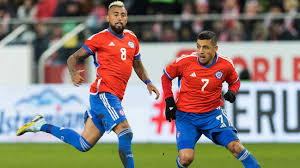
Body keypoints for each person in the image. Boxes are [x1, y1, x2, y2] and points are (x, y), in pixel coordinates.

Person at [16, 1, 160, 168]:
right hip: (103, 94)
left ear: (127, 18)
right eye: (115, 15)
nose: (119, 18)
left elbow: (137, 64)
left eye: (123, 15)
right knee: (125, 132)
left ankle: (41, 124)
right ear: (107, 17)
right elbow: (73, 58)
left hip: (114, 97)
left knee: (83, 144)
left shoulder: (132, 38)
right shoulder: (99, 39)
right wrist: (74, 73)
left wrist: (148, 82)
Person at [161, 31, 260, 168]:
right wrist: (169, 101)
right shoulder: (185, 61)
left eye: (206, 47)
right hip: (186, 116)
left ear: (215, 49)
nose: (201, 51)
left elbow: (235, 81)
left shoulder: (225, 65)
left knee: (236, 147)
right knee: (186, 158)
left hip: (212, 115)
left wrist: (232, 91)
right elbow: (166, 77)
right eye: (198, 46)